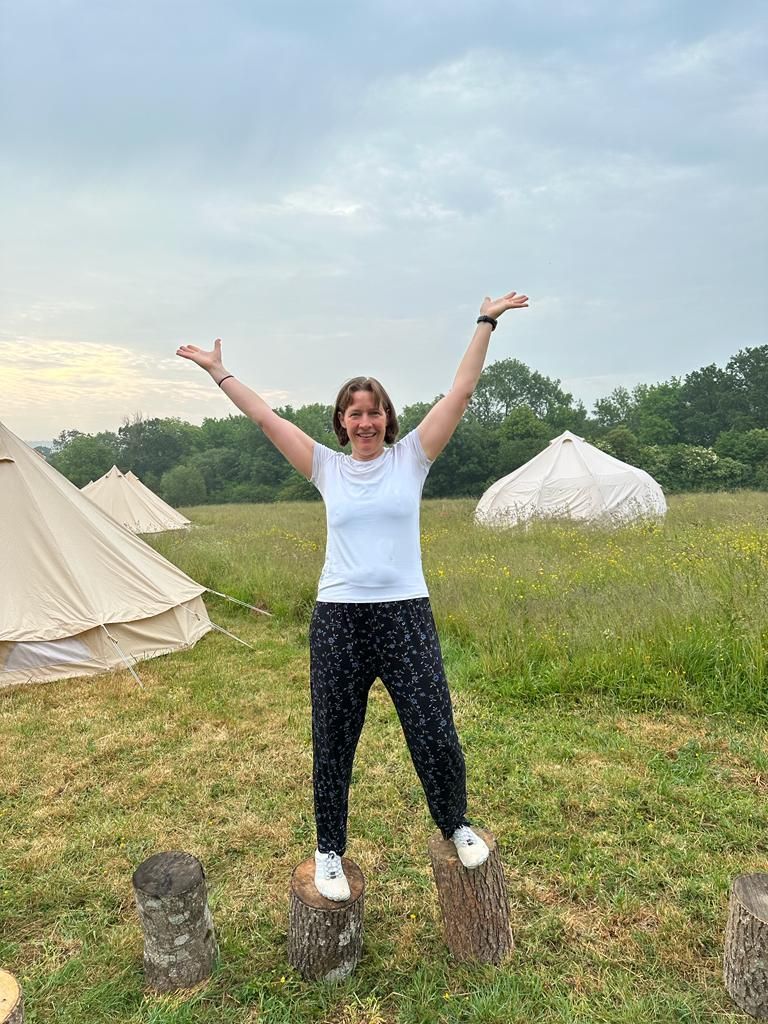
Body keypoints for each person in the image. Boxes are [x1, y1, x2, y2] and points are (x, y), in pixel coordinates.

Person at [177, 290, 529, 900]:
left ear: (386, 419)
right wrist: (220, 372)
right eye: (353, 413)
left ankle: (456, 823)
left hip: (405, 615)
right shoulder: (326, 468)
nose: (364, 422)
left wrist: (484, 322)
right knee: (335, 737)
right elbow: (265, 419)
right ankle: (329, 851)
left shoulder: (412, 459)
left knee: (434, 730)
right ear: (340, 422)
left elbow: (461, 393)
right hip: (339, 619)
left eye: (373, 413)